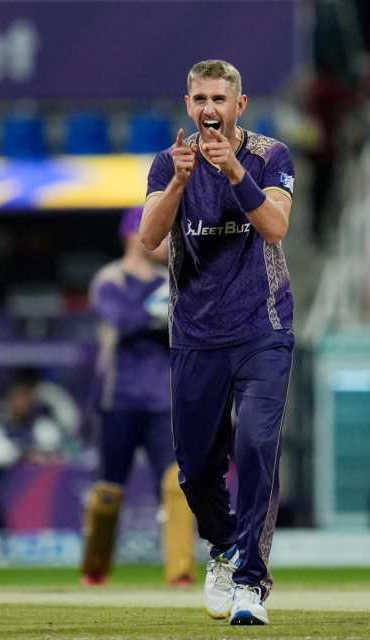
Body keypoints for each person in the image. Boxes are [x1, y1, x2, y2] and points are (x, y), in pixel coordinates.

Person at [140, 60, 296, 626]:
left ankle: (252, 584)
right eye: (200, 98)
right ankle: (226, 546)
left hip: (262, 329)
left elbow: (276, 227)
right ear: (188, 105)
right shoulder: (167, 162)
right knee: (195, 469)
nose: (209, 109)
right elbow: (149, 236)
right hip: (196, 336)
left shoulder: (268, 156)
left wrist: (234, 172)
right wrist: (181, 181)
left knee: (256, 446)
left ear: (240, 105)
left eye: (220, 99)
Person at [80, 207, 195, 588]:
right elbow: (124, 321)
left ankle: (180, 571)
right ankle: (95, 569)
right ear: (135, 235)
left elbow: (191, 325)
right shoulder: (109, 279)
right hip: (119, 399)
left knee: (177, 483)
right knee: (110, 488)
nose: (166, 241)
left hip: (164, 400)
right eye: (159, 233)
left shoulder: (172, 278)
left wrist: (162, 313)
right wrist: (159, 314)